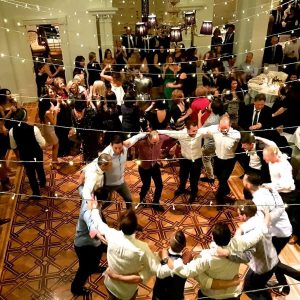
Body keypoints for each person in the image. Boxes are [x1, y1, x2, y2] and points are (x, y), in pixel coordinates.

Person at [170, 219, 269, 300]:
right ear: (229, 235)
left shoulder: (206, 256)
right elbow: (257, 234)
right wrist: (267, 218)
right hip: (233, 294)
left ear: (213, 237)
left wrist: (173, 258)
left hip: (211, 295)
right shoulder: (238, 243)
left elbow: (187, 272)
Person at [95, 209, 169, 300]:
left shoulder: (111, 234)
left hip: (109, 284)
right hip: (126, 292)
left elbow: (98, 222)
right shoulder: (142, 248)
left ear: (119, 224)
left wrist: (94, 208)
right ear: (135, 228)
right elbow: (156, 269)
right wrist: (163, 257)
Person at [71, 184, 110, 296]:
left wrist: (80, 183)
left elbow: (80, 188)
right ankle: (76, 288)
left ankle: (94, 267)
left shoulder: (89, 196)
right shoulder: (88, 213)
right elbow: (91, 228)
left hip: (94, 243)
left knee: (98, 254)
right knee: (84, 269)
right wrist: (99, 235)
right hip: (84, 245)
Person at [158, 119, 205, 203]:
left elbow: (212, 130)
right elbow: (167, 132)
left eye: (196, 130)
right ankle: (181, 188)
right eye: (193, 131)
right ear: (187, 129)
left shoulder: (200, 132)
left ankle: (193, 193)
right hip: (185, 159)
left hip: (197, 160)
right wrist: (155, 131)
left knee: (194, 179)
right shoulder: (181, 134)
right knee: (183, 176)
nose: (195, 132)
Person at [201, 116, 241, 208]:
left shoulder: (236, 134)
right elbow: (202, 131)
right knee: (219, 176)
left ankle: (220, 198)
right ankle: (226, 190)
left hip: (229, 161)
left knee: (223, 179)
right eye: (221, 128)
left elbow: (246, 140)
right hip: (218, 159)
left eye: (225, 128)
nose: (223, 130)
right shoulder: (214, 129)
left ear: (230, 125)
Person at [101, 133, 146, 208]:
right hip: (107, 185)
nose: (118, 150)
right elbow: (95, 164)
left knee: (129, 200)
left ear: (122, 144)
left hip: (120, 182)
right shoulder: (105, 154)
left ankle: (129, 218)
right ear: (111, 145)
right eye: (115, 148)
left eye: (120, 148)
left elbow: (136, 137)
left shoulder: (125, 146)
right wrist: (84, 172)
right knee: (105, 203)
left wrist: (147, 133)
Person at [9, 108, 46, 198]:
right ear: (25, 118)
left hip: (25, 156)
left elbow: (13, 146)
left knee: (30, 174)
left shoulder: (11, 131)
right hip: (36, 154)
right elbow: (43, 144)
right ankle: (42, 182)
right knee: (40, 168)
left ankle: (36, 193)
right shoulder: (34, 129)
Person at [135, 131, 168, 211]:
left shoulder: (161, 139)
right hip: (144, 168)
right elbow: (130, 143)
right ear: (148, 139)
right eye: (153, 142)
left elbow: (172, 136)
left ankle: (155, 203)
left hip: (155, 166)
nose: (155, 144)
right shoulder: (141, 143)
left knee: (159, 185)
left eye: (157, 142)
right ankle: (142, 200)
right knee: (146, 185)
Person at [152, 231, 188, 300]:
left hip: (159, 296)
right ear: (184, 246)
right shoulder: (186, 261)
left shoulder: (160, 254)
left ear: (169, 242)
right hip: (177, 296)